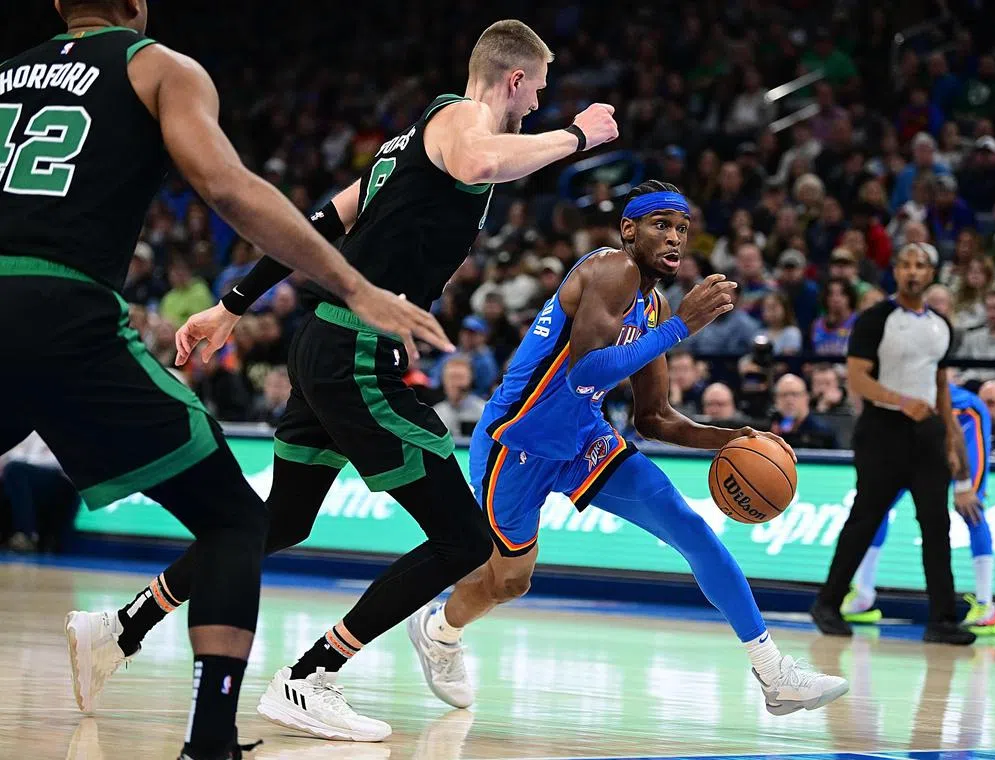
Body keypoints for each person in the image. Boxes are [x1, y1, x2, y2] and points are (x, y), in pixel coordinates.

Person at [74, 18, 621, 743]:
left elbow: (317, 223)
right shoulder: (463, 123)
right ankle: (310, 677)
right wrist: (578, 136)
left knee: (283, 520)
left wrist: (233, 302)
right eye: (537, 92)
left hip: (323, 343)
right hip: (358, 353)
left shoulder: (409, 143)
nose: (538, 106)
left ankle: (122, 625)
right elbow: (481, 161)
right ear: (514, 79)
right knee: (464, 540)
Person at [3, 2, 449, 759]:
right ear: (136, 3)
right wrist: (354, 285)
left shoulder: (7, 74)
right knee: (236, 521)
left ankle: (125, 631)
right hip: (65, 309)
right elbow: (230, 189)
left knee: (278, 517)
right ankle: (211, 739)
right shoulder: (154, 65)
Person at [406, 181, 848, 716]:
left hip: (584, 439)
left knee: (689, 527)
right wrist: (682, 327)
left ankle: (775, 674)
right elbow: (584, 372)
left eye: (682, 228)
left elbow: (653, 418)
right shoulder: (610, 269)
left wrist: (734, 438)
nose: (675, 237)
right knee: (508, 582)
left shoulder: (653, 306)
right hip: (518, 442)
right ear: (629, 230)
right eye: (662, 225)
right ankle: (439, 630)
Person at [810, 242, 975, 645]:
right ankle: (828, 603)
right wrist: (901, 401)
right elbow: (857, 378)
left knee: (936, 525)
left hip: (928, 434)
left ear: (931, 273)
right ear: (896, 271)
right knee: (865, 519)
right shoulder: (875, 319)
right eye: (906, 265)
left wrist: (952, 441)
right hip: (882, 431)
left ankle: (942, 619)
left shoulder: (941, 325)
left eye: (921, 265)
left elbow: (940, 385)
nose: (913, 272)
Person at [841, 383, 995, 635]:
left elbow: (950, 424)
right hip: (917, 431)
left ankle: (986, 605)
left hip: (961, 418)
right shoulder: (881, 400)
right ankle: (863, 594)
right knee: (877, 506)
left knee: (970, 506)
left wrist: (963, 482)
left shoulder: (956, 401)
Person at [769, 374, 838, 449]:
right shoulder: (768, 432)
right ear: (776, 399)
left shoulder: (824, 432)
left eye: (794, 394)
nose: (789, 400)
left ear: (806, 397)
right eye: (784, 395)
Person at [433, 357, 486, 437]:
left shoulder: (484, 412)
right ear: (443, 380)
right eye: (451, 377)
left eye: (460, 377)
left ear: (470, 380)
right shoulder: (436, 413)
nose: (455, 383)